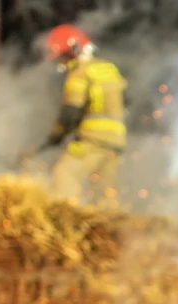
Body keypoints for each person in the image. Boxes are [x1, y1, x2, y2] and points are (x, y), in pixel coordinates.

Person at [41, 24, 128, 202]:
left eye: (62, 57)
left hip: (93, 139)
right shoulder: (108, 68)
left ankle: (64, 221)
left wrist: (55, 136)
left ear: (72, 52)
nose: (61, 63)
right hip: (117, 141)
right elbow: (126, 100)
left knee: (64, 174)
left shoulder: (79, 74)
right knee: (103, 193)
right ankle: (108, 226)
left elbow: (70, 111)